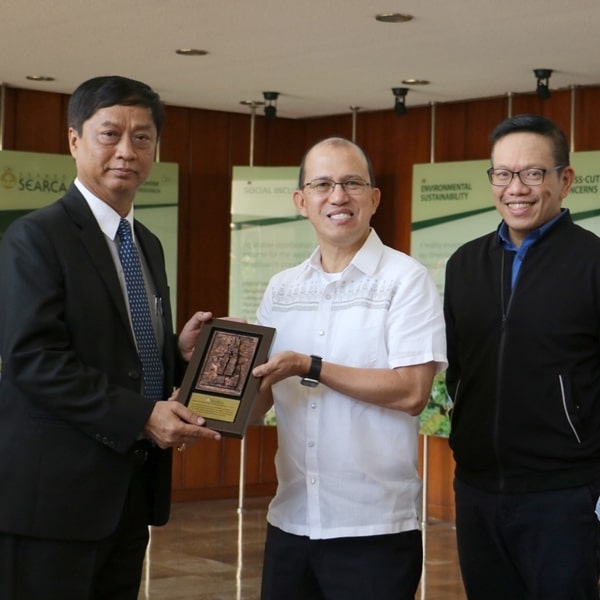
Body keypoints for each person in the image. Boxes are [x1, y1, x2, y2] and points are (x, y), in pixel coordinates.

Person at [0, 75, 221, 600]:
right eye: (110, 134)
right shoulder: (34, 237)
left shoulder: (144, 241)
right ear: (75, 141)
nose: (127, 151)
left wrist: (175, 349)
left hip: (127, 493)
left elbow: (114, 344)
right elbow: (33, 359)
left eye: (142, 137)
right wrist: (142, 415)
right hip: (51, 502)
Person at [251, 137, 447, 599]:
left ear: (374, 198)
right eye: (322, 184)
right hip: (291, 520)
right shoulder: (281, 289)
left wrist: (310, 365)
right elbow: (257, 405)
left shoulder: (406, 280)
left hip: (373, 526)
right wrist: (226, 360)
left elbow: (411, 391)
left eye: (352, 183)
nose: (337, 196)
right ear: (302, 201)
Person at [444, 113, 600, 599]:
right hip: (476, 490)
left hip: (566, 495)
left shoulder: (593, 262)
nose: (517, 188)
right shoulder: (465, 264)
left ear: (565, 179)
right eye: (503, 174)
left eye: (533, 173)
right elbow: (457, 368)